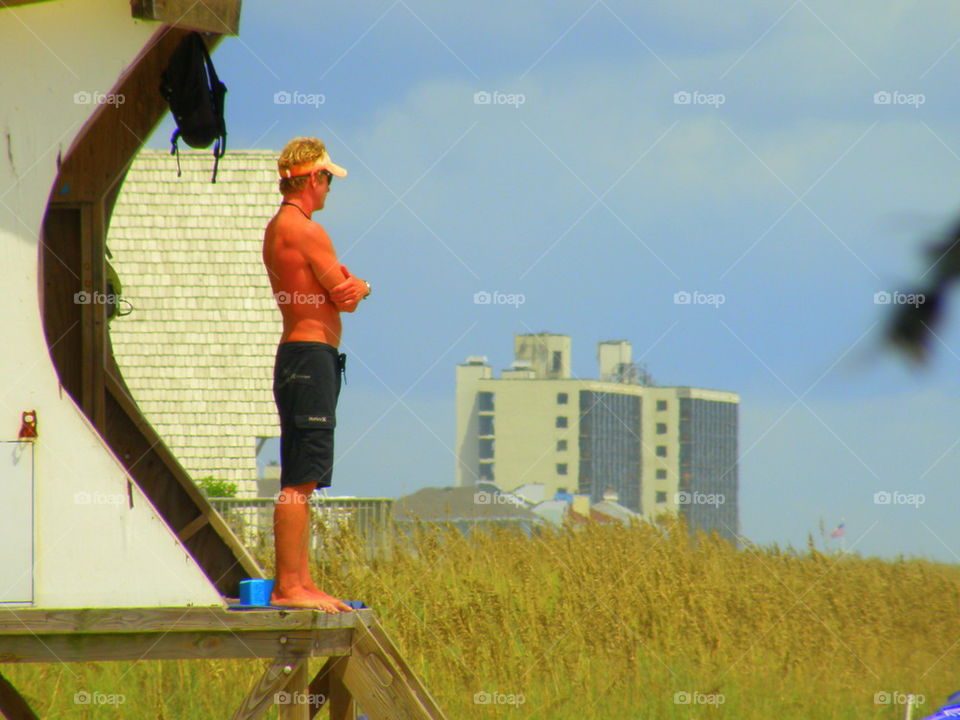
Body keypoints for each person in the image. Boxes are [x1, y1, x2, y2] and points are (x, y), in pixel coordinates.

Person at [262, 137, 370, 612]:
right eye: (328, 179)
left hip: (300, 356)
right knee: (300, 481)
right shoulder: (307, 230)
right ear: (313, 179)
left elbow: (334, 291)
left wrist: (349, 286)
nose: (329, 189)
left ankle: (300, 582)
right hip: (309, 357)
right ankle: (290, 586)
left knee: (301, 476)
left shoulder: (279, 227)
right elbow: (345, 296)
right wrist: (363, 284)